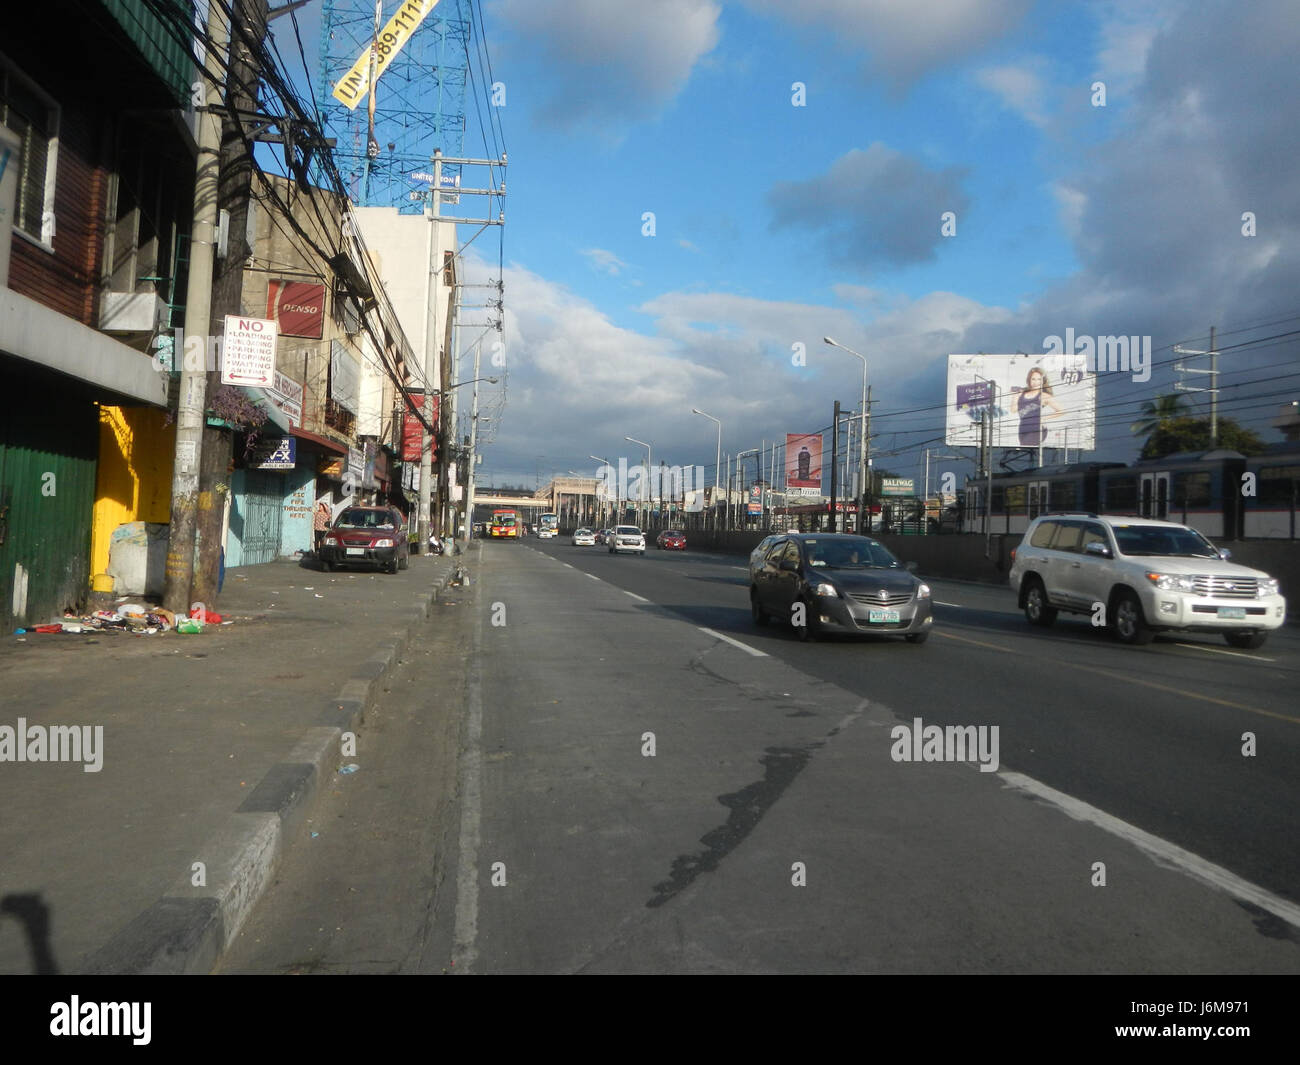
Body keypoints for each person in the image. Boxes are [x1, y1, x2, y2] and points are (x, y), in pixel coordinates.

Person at [1016, 367, 1064, 447]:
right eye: (1033, 379)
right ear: (1029, 380)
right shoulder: (1023, 394)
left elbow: (1061, 411)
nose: (1036, 382)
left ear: (1043, 381)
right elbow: (1014, 409)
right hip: (1023, 429)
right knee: (1025, 449)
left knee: (1027, 446)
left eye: (1039, 379)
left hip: (1037, 429)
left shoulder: (1044, 396)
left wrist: (1044, 418)